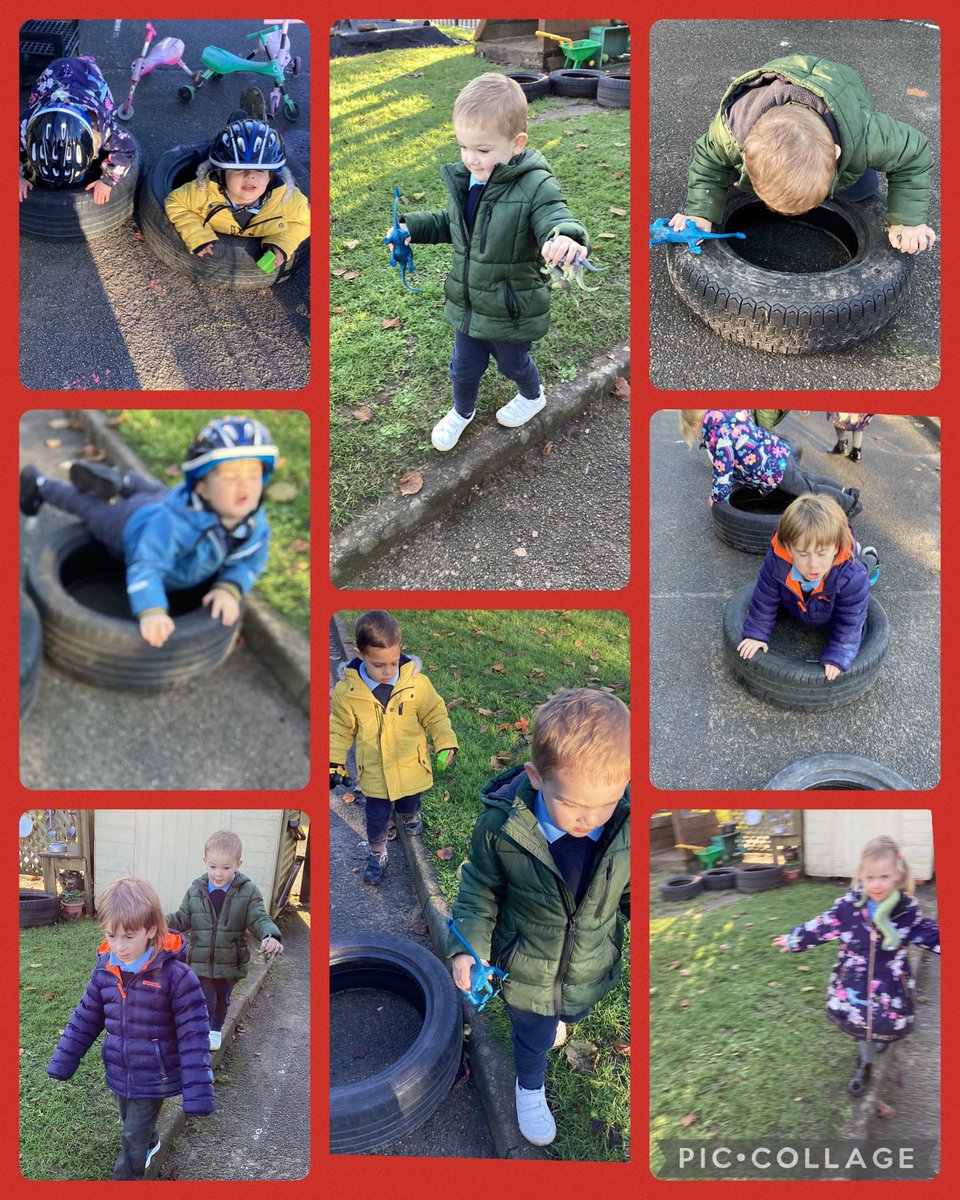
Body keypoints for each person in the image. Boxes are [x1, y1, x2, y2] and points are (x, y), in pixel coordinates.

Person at [448, 688, 630, 1146]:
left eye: (605, 804)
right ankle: (529, 1088)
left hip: (589, 962)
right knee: (532, 1033)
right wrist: (468, 949)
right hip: (526, 968)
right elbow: (480, 890)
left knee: (574, 1007)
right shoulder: (504, 827)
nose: (589, 819)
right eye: (571, 803)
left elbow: (630, 890)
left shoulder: (627, 827)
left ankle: (563, 1016)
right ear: (535, 777)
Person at [386, 72, 591, 452]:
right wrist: (412, 226)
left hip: (510, 308)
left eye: (482, 150)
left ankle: (533, 396)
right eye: (463, 147)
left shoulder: (536, 185)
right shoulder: (469, 179)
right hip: (469, 303)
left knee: (513, 364)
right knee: (463, 367)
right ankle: (462, 411)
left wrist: (565, 236)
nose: (470, 159)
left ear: (516, 144)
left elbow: (554, 216)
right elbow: (452, 223)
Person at [19, 415, 276, 648]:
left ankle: (120, 480)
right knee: (91, 509)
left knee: (155, 492)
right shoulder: (175, 526)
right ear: (202, 488)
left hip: (158, 502)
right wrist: (152, 609)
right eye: (230, 477)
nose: (244, 486)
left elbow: (250, 560)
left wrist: (230, 586)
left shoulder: (254, 523)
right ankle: (41, 484)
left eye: (254, 476)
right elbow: (146, 564)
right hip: (130, 524)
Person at [669, 53, 936, 255]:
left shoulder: (868, 135)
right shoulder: (729, 134)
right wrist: (699, 212)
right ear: (745, 151)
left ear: (835, 154)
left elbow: (915, 154)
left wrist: (907, 221)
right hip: (775, 97)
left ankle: (848, 180)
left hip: (841, 93)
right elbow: (707, 160)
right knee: (720, 180)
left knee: (861, 190)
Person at [46, 876, 213, 1179]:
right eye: (111, 936)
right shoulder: (105, 970)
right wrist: (63, 1059)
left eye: (128, 937)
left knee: (131, 1139)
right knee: (130, 1119)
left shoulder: (177, 977)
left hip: (154, 1076)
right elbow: (85, 1018)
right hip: (118, 1070)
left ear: (151, 930)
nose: (118, 947)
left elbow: (194, 1035)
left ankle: (127, 1178)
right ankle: (150, 1139)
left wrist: (198, 1090)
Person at [772, 835, 939, 1096]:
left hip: (890, 986)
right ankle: (866, 1063)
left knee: (882, 1025)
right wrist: (796, 938)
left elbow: (933, 934)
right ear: (861, 877)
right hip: (854, 984)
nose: (876, 884)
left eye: (884, 877)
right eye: (870, 878)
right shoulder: (848, 909)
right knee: (864, 1029)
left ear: (897, 875)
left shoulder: (907, 913)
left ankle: (877, 1042)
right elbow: (823, 925)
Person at [330, 610, 459, 885]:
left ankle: (411, 815)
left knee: (408, 802)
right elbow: (340, 729)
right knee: (376, 817)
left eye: (393, 662)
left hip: (410, 765)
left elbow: (435, 714)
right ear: (360, 654)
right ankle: (377, 852)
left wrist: (446, 743)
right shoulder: (349, 693)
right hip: (375, 772)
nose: (388, 671)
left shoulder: (416, 684)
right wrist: (334, 761)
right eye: (379, 665)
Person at [166, 830, 283, 1050]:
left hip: (230, 961)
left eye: (226, 868)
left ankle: (216, 1029)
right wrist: (157, 923)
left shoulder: (248, 892)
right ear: (205, 863)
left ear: (238, 864)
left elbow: (259, 917)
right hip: (200, 960)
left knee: (222, 1000)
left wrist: (270, 935)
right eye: (213, 867)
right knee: (204, 999)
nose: (218, 874)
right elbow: (181, 918)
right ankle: (200, 1032)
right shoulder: (195, 891)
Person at [737, 493, 872, 681]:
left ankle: (869, 557)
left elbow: (850, 622)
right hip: (805, 601)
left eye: (821, 553)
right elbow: (764, 599)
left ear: (836, 547)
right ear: (789, 548)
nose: (813, 565)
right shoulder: (777, 562)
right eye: (802, 553)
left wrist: (839, 654)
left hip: (845, 573)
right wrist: (757, 633)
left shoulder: (852, 579)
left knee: (862, 572)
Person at [164, 118, 310, 270]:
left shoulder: (289, 201)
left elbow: (306, 221)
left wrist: (281, 243)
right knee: (207, 155)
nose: (249, 176)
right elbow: (175, 202)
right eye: (238, 169)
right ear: (222, 172)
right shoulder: (203, 192)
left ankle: (249, 117)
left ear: (270, 177)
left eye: (260, 170)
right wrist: (197, 234)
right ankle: (238, 120)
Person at [680, 409, 861, 516]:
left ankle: (849, 504)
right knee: (809, 479)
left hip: (772, 469)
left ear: (697, 424)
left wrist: (717, 497)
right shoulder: (729, 414)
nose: (699, 437)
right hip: (778, 453)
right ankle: (848, 492)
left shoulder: (717, 435)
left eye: (694, 433)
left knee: (809, 490)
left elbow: (722, 472)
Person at [20, 55, 136, 204]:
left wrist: (108, 180)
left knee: (107, 106)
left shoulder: (103, 127)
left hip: (88, 78)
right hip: (54, 74)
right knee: (35, 98)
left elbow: (127, 149)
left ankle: (82, 60)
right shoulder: (24, 126)